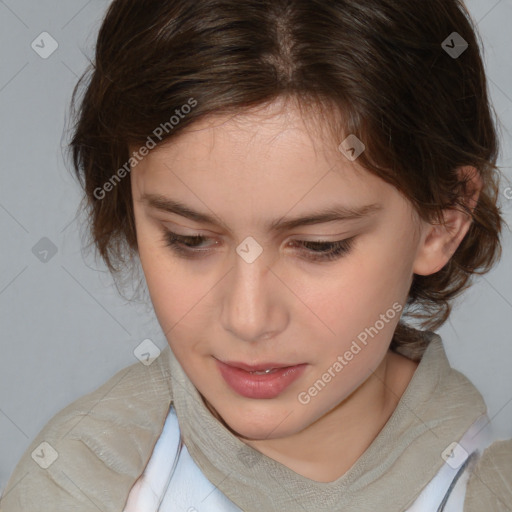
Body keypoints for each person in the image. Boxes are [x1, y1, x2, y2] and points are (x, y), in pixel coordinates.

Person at [1, 0, 511, 510]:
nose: (247, 319)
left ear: (443, 218)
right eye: (189, 238)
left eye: (319, 246)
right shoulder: (79, 481)